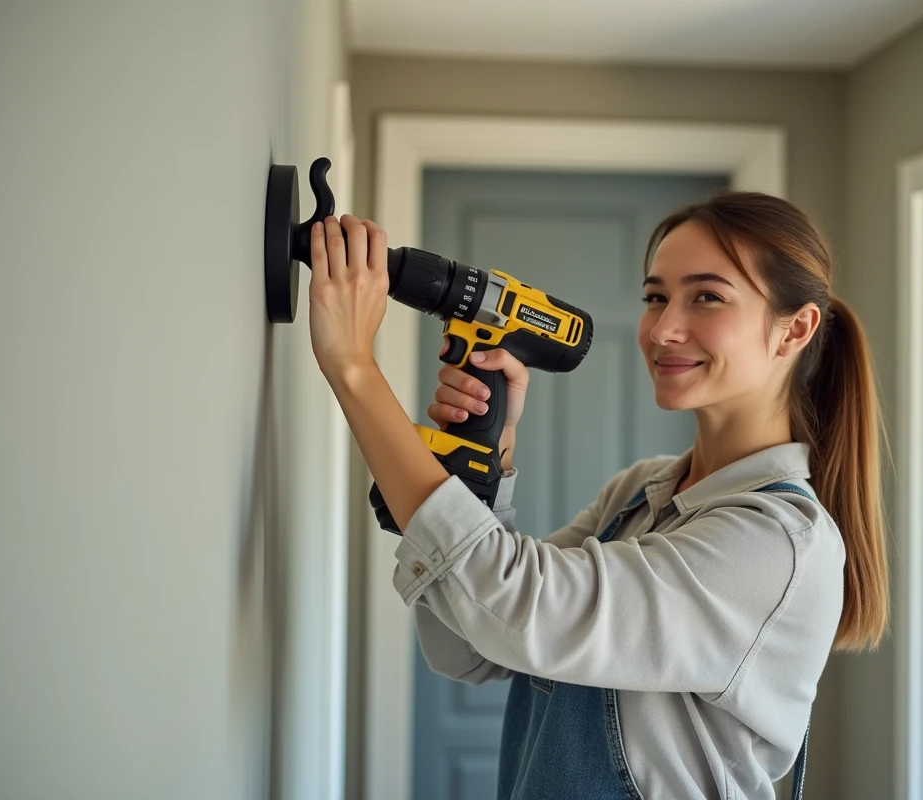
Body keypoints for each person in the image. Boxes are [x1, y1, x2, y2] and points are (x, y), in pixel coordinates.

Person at [307, 191, 890, 800]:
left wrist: (353, 367)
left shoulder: (779, 542)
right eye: (655, 297)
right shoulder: (639, 494)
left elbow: (516, 603)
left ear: (794, 329)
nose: (663, 329)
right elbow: (471, 648)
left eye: (707, 296)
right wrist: (489, 464)